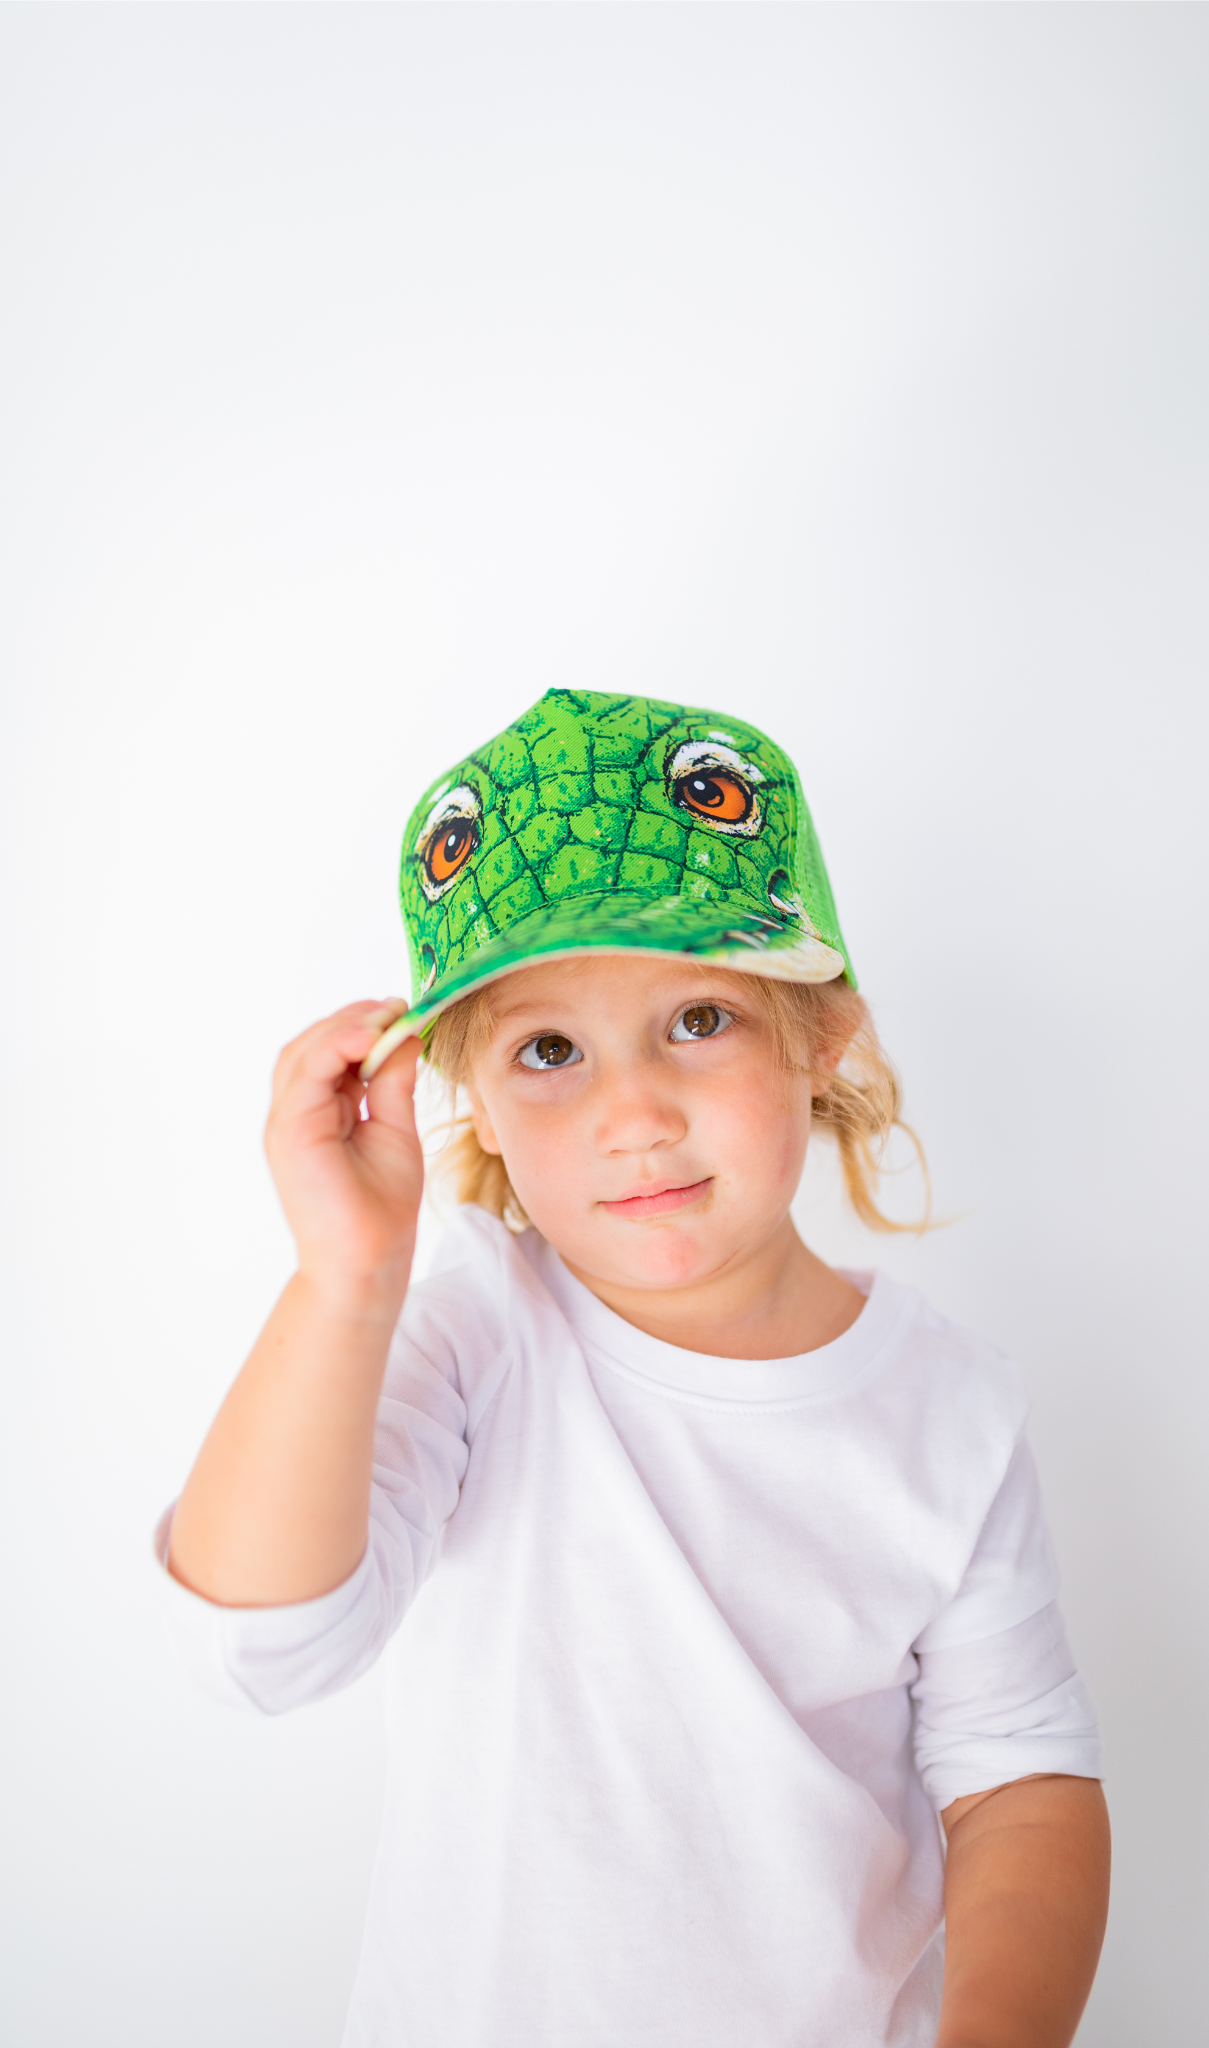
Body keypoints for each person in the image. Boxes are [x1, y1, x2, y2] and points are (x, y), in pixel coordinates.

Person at [160, 688, 1109, 2048]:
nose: (633, 1112)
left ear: (820, 1032)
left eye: (699, 1019)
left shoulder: (950, 1406)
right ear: (479, 1103)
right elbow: (264, 1646)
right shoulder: (479, 1333)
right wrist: (345, 1277)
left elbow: (1019, 1780)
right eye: (550, 1050)